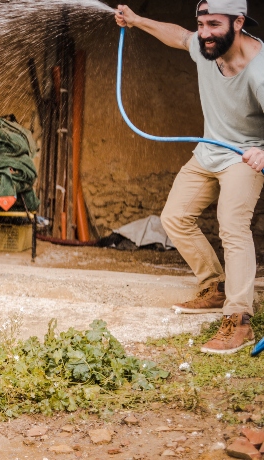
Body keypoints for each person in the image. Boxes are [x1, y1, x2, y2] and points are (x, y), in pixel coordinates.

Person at [116, 0, 264, 354]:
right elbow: (180, 37)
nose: (204, 33)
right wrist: (136, 21)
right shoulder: (204, 46)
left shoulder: (259, 71)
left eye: (213, 24)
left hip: (244, 157)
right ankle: (215, 287)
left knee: (232, 226)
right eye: (201, 24)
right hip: (208, 151)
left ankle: (239, 318)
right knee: (175, 218)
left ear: (239, 22)